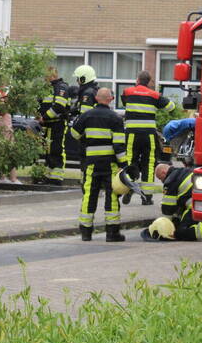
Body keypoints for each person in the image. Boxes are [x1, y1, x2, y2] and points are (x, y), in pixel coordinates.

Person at [70, 87, 127, 242]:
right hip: (110, 164)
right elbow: (119, 145)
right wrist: (124, 164)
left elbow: (74, 133)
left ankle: (86, 232)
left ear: (96, 99)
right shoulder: (115, 118)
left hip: (91, 163)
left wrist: (87, 141)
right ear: (110, 99)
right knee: (112, 195)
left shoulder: (86, 116)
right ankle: (112, 233)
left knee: (89, 195)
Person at [120, 71, 176, 204]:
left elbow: (124, 103)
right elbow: (171, 107)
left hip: (132, 134)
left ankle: (128, 190)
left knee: (130, 161)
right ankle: (147, 197)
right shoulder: (154, 95)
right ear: (149, 82)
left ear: (138, 80)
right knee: (149, 163)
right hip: (148, 135)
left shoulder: (127, 92)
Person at [142, 163, 202, 241]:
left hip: (197, 208)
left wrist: (164, 227)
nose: (162, 181)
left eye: (161, 178)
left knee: (181, 232)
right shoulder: (185, 171)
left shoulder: (170, 180)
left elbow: (167, 209)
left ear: (164, 172)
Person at [37, 68, 70, 184]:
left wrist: (44, 117)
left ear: (52, 76)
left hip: (58, 124)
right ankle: (49, 176)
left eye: (46, 76)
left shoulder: (61, 87)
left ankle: (57, 177)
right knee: (48, 151)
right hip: (47, 125)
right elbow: (41, 104)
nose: (44, 79)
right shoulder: (47, 89)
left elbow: (59, 106)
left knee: (57, 149)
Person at [0, 85, 20, 183]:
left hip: (7, 122)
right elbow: (0, 109)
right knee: (1, 150)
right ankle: (1, 177)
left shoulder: (4, 90)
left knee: (11, 150)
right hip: (2, 122)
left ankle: (13, 178)